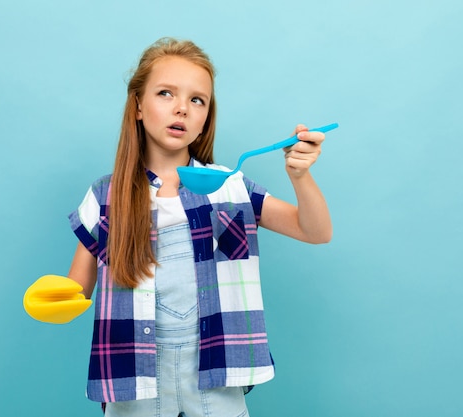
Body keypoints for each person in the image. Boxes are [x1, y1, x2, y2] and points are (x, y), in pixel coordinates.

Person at [66, 37, 332, 417]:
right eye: (165, 93)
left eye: (197, 100)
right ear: (138, 105)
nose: (181, 108)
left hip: (215, 377)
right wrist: (55, 299)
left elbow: (315, 231)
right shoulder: (106, 196)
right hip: (136, 383)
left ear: (206, 116)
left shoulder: (230, 186)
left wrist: (300, 175)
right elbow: (77, 288)